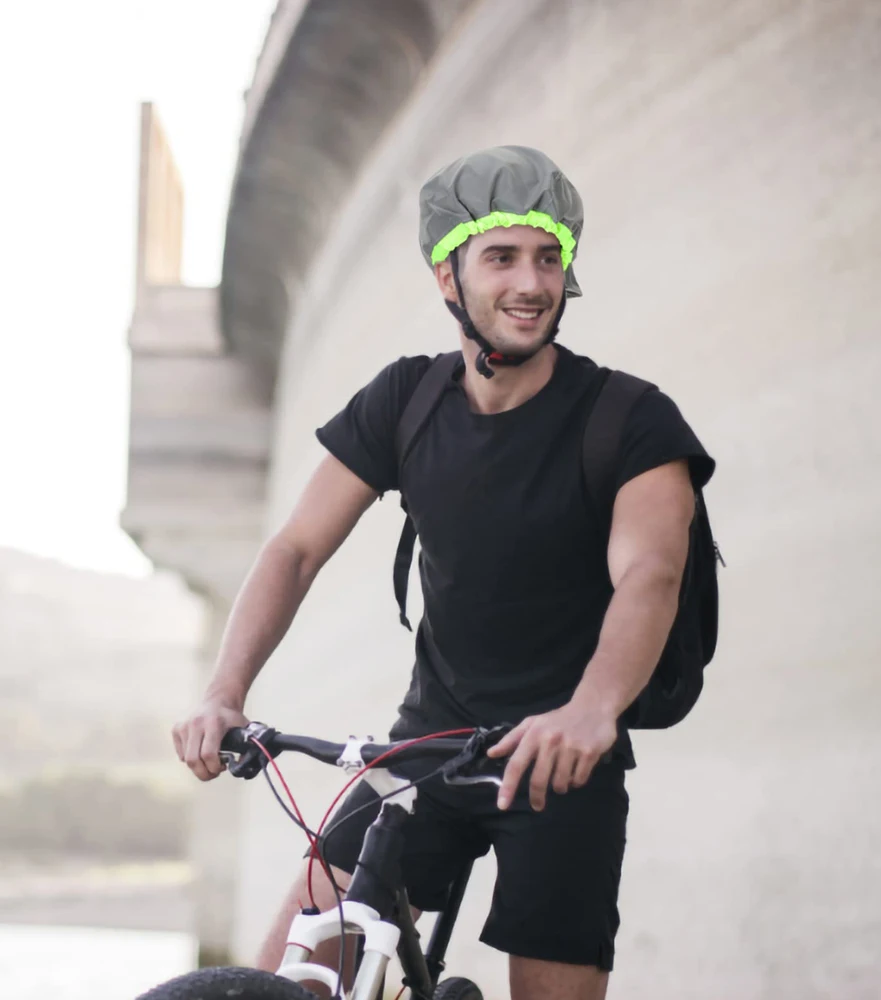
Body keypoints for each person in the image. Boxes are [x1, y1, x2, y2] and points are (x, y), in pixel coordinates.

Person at [172, 145, 715, 1000]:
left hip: (561, 757)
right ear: (448, 276)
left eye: (548, 256)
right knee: (286, 978)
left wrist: (591, 711)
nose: (530, 282)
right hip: (428, 742)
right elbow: (295, 550)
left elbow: (649, 573)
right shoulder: (407, 400)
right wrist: (222, 692)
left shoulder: (630, 420)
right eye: (501, 257)